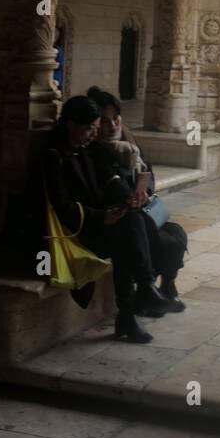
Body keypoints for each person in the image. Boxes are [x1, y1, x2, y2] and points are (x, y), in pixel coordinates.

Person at [36, 96, 166, 343]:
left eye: (95, 129)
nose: (92, 135)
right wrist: (100, 217)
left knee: (131, 222)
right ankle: (137, 301)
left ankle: (137, 301)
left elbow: (109, 179)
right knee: (127, 233)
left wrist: (126, 200)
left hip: (96, 223)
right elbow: (61, 206)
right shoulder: (54, 156)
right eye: (89, 128)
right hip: (71, 232)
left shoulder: (86, 149)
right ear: (70, 124)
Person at [87, 86, 188, 314]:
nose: (112, 125)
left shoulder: (128, 141)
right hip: (119, 214)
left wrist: (146, 189)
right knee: (158, 239)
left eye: (115, 118)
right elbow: (109, 181)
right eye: (103, 121)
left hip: (139, 208)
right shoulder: (94, 151)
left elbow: (148, 171)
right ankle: (145, 292)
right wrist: (130, 196)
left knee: (176, 232)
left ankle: (168, 285)